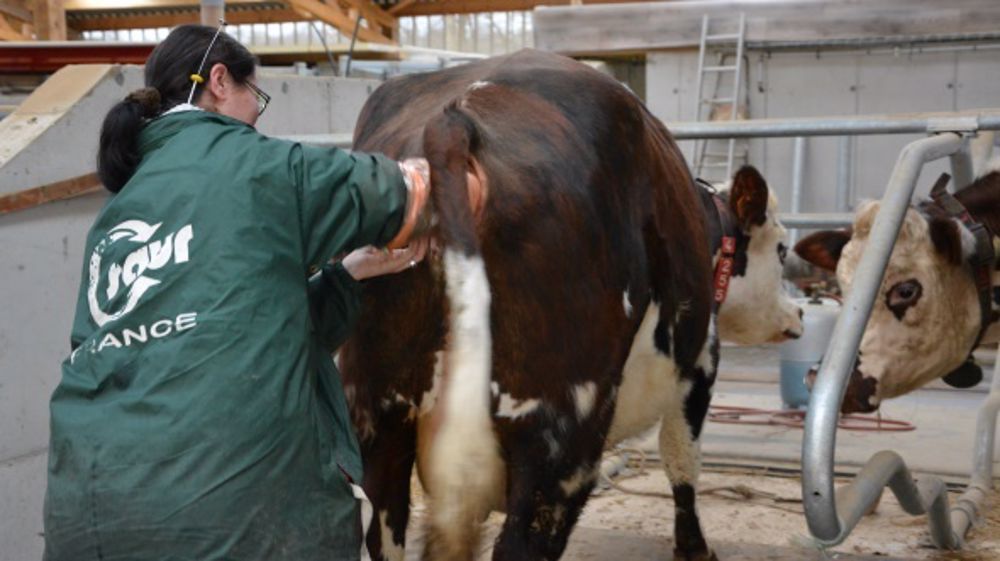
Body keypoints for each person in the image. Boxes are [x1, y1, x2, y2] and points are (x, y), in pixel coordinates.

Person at [43, 23, 431, 561]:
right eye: (258, 96)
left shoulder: (118, 213)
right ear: (220, 81)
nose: (258, 114)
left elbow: (229, 332)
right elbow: (396, 193)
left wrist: (348, 275)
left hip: (86, 516)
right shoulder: (252, 164)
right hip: (228, 517)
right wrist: (429, 174)